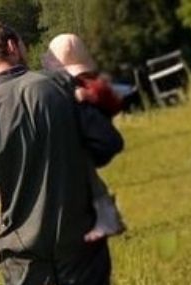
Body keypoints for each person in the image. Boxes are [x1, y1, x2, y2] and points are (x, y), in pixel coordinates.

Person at [0, 22, 122, 285]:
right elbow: (106, 143)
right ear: (12, 46)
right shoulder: (59, 86)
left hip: (21, 246)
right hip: (79, 234)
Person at [42, 33, 126, 242]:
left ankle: (107, 218)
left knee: (88, 174)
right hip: (95, 140)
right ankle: (105, 216)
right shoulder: (86, 82)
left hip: (94, 140)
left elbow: (106, 92)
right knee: (87, 175)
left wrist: (86, 96)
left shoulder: (84, 86)